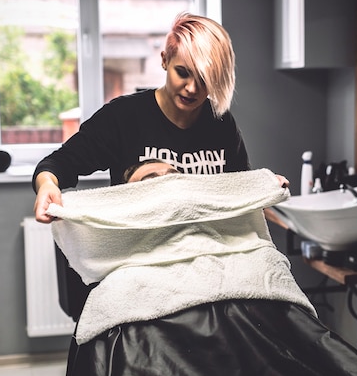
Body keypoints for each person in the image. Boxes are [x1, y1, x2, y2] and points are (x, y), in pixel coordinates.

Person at [50, 163, 357, 376]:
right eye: (149, 180)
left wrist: (263, 186)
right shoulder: (122, 271)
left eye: (172, 177)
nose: (166, 185)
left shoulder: (237, 248)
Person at [32, 12, 287, 223]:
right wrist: (47, 185)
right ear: (165, 60)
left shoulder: (220, 123)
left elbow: (237, 188)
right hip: (140, 255)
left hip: (205, 251)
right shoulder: (122, 117)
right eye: (183, 73)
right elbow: (58, 164)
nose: (192, 89)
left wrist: (264, 188)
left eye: (204, 79)